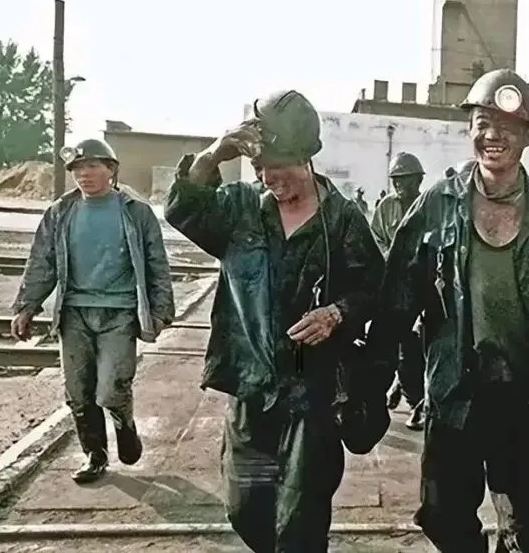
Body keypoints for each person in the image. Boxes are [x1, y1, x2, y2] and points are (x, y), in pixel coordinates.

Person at [369, 68, 529, 553]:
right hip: (456, 395)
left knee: (527, 534)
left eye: (507, 126)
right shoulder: (437, 205)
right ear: (469, 129)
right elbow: (397, 299)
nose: (493, 136)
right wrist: (372, 374)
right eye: (483, 123)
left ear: (527, 136)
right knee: (442, 516)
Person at [164, 90, 386, 553]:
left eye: (278, 166)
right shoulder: (239, 208)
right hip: (252, 388)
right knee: (245, 509)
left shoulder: (342, 220)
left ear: (306, 157)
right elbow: (183, 208)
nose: (267, 177)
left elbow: (373, 289)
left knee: (301, 520)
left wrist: (337, 313)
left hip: (314, 395)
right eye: (259, 167)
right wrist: (215, 152)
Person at [10, 138, 174, 484]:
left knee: (112, 389)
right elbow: (42, 262)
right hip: (74, 314)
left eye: (92, 166)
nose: (84, 174)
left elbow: (156, 263)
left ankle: (124, 424)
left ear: (111, 170)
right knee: (78, 393)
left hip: (119, 313)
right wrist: (26, 306)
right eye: (77, 169)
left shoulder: (136, 212)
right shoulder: (60, 212)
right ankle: (94, 455)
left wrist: (161, 311)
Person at [371, 151, 428, 430]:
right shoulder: (386, 206)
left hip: (422, 287)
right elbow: (376, 238)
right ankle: (395, 389)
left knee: (413, 349)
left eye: (404, 179)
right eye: (395, 179)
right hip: (392, 286)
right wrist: (389, 258)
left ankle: (416, 402)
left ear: (418, 180)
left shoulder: (429, 205)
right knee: (385, 344)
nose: (398, 184)